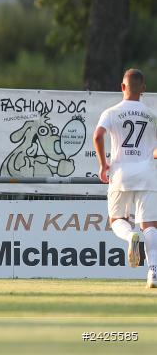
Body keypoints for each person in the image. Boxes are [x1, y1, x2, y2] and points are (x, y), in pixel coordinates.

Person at [94, 69, 157, 289]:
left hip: (121, 174)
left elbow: (98, 136)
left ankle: (130, 235)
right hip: (147, 174)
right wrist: (150, 154)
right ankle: (154, 272)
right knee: (150, 225)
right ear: (144, 89)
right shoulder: (152, 114)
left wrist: (103, 164)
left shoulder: (111, 112)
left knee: (116, 220)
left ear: (122, 87)